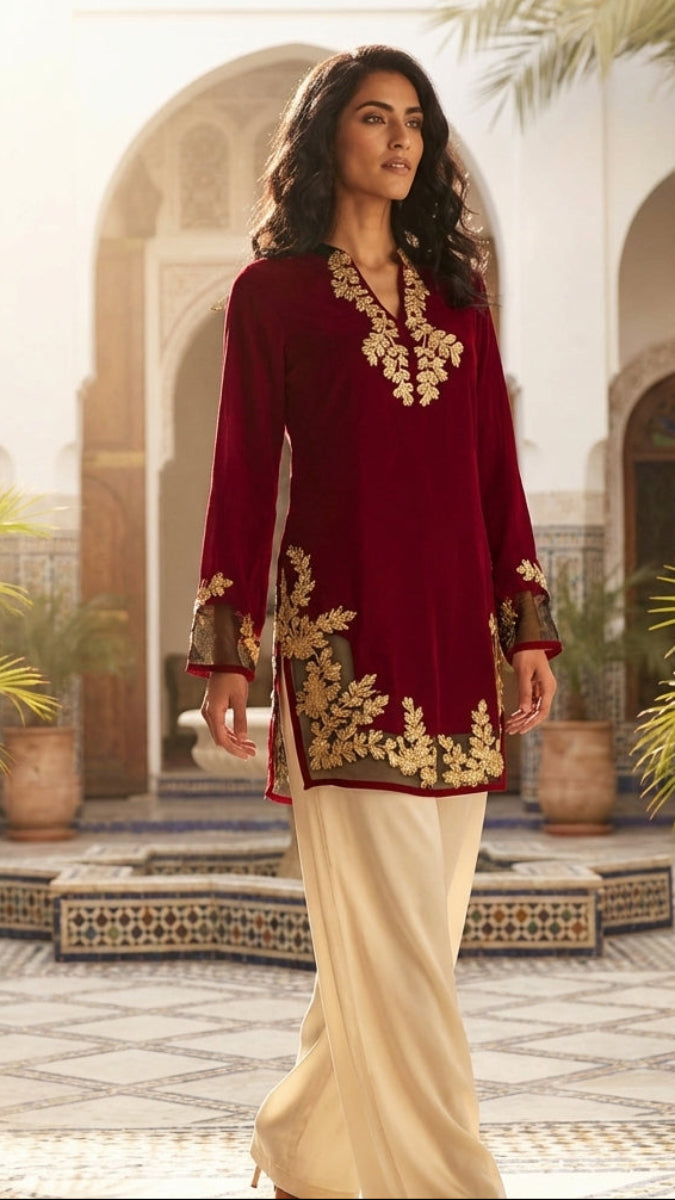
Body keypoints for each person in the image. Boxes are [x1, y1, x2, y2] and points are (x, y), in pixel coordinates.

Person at [186, 43, 561, 1200]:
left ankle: (302, 1144)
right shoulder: (273, 297)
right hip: (340, 648)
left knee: (414, 946)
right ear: (326, 138)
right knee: (402, 959)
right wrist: (226, 648)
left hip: (455, 646)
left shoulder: (459, 300)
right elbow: (245, 474)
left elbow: (495, 473)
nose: (400, 140)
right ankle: (456, 1182)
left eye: (415, 122)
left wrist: (527, 628)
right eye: (373, 118)